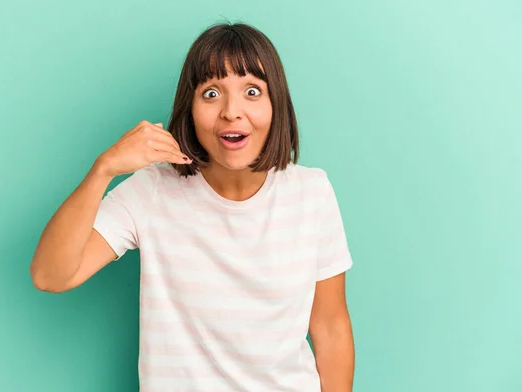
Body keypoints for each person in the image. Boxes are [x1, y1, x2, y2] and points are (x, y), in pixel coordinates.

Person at [30, 22, 355, 392]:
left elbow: (330, 327)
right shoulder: (152, 190)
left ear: (276, 104)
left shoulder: (311, 192)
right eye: (212, 93)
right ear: (190, 108)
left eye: (252, 91)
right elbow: (51, 275)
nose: (232, 111)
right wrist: (103, 169)